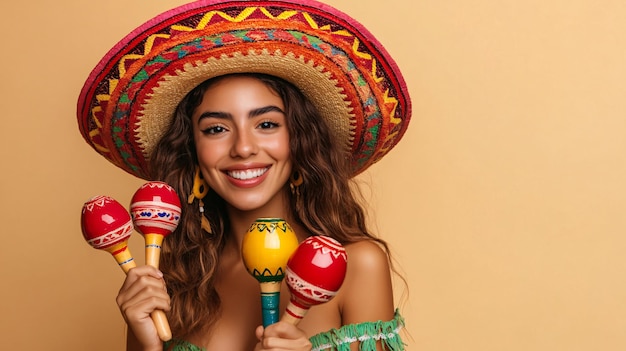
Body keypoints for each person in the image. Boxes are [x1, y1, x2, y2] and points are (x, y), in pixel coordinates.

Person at [77, 1, 412, 350]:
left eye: (266, 124)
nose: (243, 148)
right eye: (216, 128)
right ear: (191, 151)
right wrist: (145, 343)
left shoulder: (355, 265)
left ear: (299, 140)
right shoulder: (171, 284)